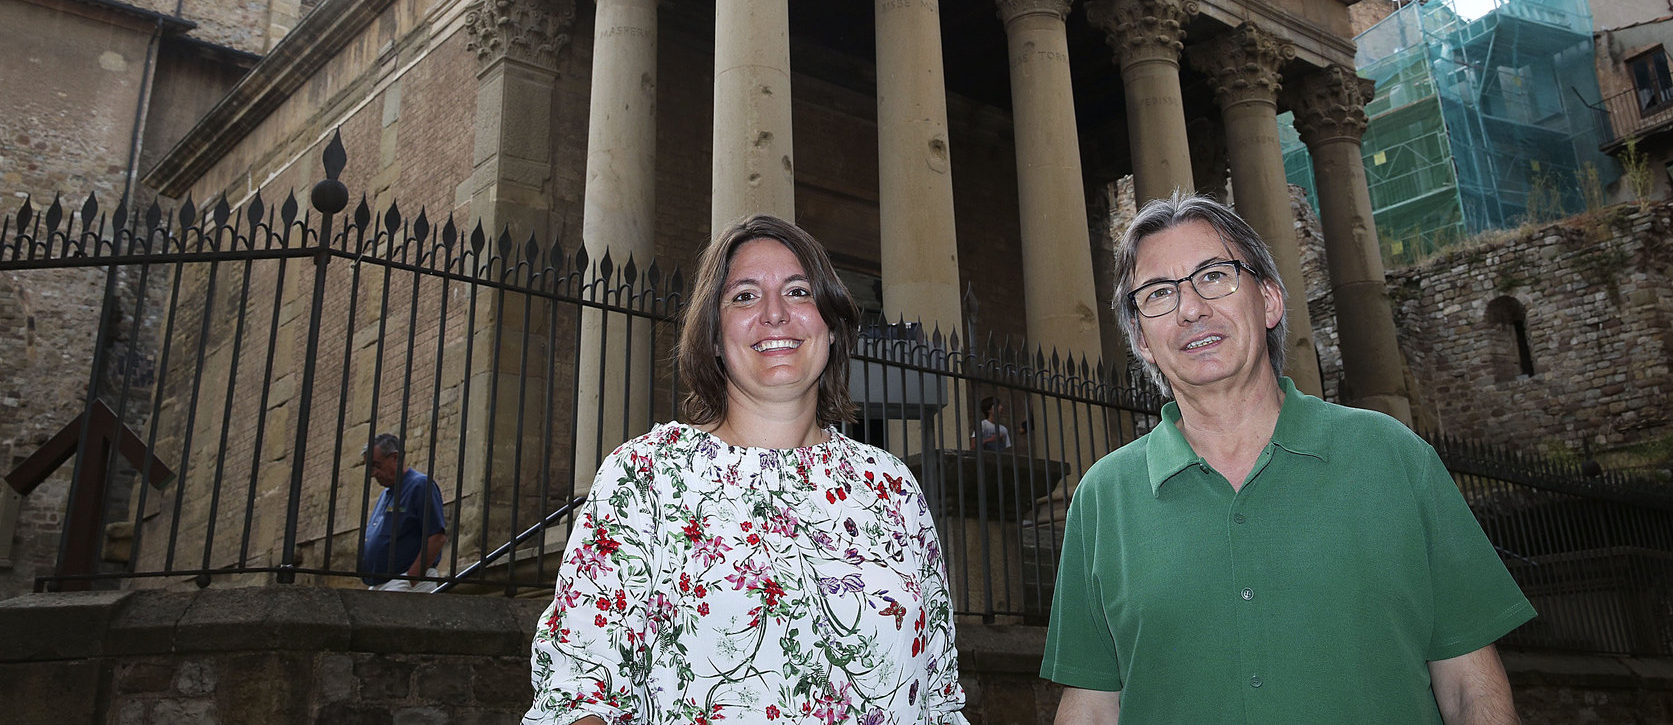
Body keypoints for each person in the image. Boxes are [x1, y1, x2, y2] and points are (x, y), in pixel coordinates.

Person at [1043, 193, 1535, 724]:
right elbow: (1092, 706)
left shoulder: (1393, 457)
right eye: (1159, 293)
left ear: (1271, 300)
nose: (1190, 308)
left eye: (1214, 276)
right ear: (1141, 338)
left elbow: (1469, 687)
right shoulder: (1101, 498)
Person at [525, 214, 968, 725]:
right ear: (713, 336)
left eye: (799, 291)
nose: (775, 314)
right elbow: (580, 691)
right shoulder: (645, 479)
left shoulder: (891, 486)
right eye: (744, 296)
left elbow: (939, 696)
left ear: (831, 322)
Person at [360, 432, 447, 589]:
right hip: (384, 582)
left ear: (395, 458)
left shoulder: (419, 485)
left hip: (404, 581)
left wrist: (410, 579)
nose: (372, 473)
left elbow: (437, 537)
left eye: (376, 465)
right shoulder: (386, 494)